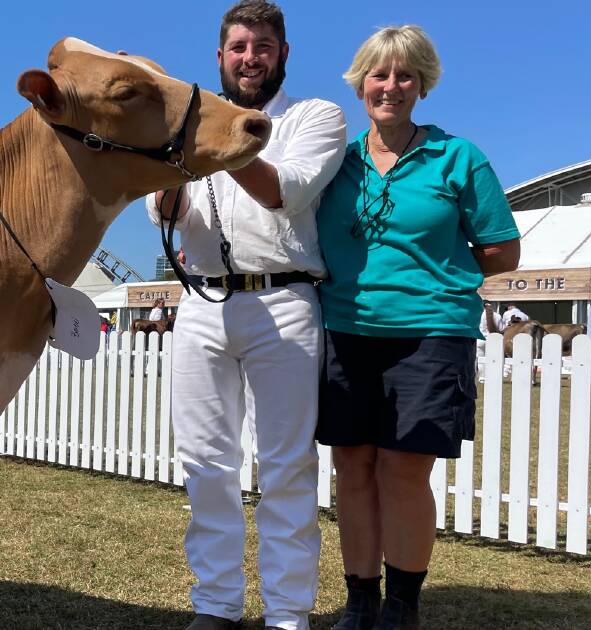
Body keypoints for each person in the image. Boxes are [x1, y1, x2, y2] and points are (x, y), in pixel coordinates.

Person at [148, 2, 346, 628]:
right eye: (238, 47)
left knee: (286, 465)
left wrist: (215, 142)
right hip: (203, 299)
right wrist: (179, 161)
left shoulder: (316, 117)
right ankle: (216, 605)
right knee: (206, 463)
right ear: (220, 57)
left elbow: (285, 191)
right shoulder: (195, 124)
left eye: (263, 46)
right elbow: (165, 214)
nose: (250, 57)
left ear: (283, 53)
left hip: (283, 301)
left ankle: (288, 613)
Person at [315, 25, 520, 629]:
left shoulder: (459, 157)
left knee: (404, 469)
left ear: (423, 84)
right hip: (343, 329)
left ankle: (402, 605)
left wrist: (440, 272)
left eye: (406, 75)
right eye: (380, 74)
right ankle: (359, 601)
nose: (392, 86)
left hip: (431, 331)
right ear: (361, 83)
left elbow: (503, 251)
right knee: (351, 466)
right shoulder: (337, 161)